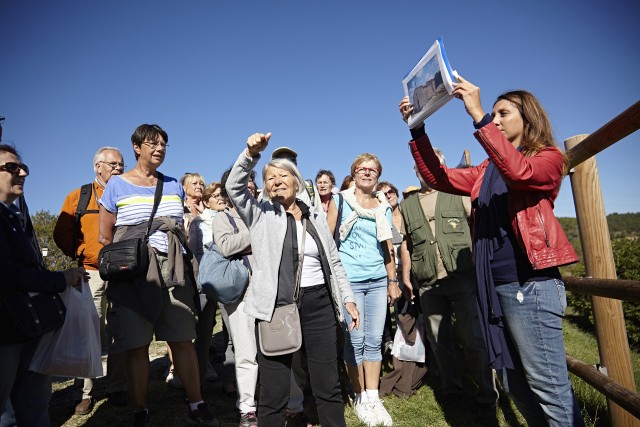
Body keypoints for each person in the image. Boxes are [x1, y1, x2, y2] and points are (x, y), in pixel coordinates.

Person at [399, 77, 584, 426]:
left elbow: (520, 172)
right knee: (514, 384)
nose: (495, 120)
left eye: (503, 114)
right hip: (495, 289)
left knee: (550, 389)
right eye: (493, 115)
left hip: (529, 286)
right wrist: (418, 129)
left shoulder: (547, 158)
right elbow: (440, 178)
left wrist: (478, 113)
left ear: (527, 120)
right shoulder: (486, 171)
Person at [227, 132, 360, 427]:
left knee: (327, 385)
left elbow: (333, 260)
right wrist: (250, 154)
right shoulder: (260, 213)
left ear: (297, 180)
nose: (275, 180)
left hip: (319, 305)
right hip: (277, 308)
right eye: (269, 177)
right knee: (274, 391)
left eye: (282, 174)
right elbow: (233, 187)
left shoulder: (313, 215)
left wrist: (347, 297)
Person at [98, 124, 218, 427]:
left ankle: (196, 402)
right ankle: (140, 409)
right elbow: (105, 236)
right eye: (152, 143)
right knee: (136, 344)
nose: (159, 148)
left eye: (164, 144)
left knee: (182, 339)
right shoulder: (117, 185)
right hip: (134, 273)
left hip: (172, 270)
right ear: (136, 147)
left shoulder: (175, 184)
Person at [398, 155, 498, 421]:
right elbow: (407, 242)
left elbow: (477, 226)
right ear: (415, 170)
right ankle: (452, 389)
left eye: (431, 165)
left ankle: (486, 394)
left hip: (462, 276)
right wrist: (406, 274)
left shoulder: (459, 193)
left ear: (440, 167)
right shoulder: (407, 206)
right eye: (420, 166)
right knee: (438, 339)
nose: (425, 170)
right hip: (428, 281)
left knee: (472, 337)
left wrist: (480, 262)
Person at [0, 144, 89, 426]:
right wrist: (59, 279)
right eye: (12, 168)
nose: (23, 172)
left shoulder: (14, 217)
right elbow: (7, 273)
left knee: (36, 405)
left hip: (27, 326)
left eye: (23, 167)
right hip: (5, 331)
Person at [327, 153, 401, 427]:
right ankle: (358, 395)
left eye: (373, 170)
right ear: (354, 172)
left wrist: (392, 280)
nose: (367, 173)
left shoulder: (383, 206)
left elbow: (387, 246)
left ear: (378, 175)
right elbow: (327, 241)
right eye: (362, 168)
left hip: (378, 280)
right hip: (350, 281)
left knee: (373, 340)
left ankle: (372, 396)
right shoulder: (340, 200)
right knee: (354, 341)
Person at [53, 146, 128, 414]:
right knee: (89, 334)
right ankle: (85, 392)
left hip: (123, 274)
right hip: (91, 274)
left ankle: (117, 386)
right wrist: (80, 253)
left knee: (121, 331)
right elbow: (60, 232)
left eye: (121, 164)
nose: (119, 168)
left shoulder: (128, 192)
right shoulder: (79, 196)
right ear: (98, 167)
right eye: (113, 164)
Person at [212, 168, 258, 427]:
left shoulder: (265, 210)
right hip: (239, 292)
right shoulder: (223, 217)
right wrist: (259, 235)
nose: (248, 185)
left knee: (270, 349)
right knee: (245, 351)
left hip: (269, 289)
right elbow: (226, 246)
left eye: (251, 181)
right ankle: (247, 406)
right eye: (242, 182)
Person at [375, 181, 403, 361]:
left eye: (390, 191)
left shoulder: (407, 212)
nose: (388, 195)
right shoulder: (381, 217)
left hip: (410, 270)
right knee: (388, 313)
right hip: (390, 271)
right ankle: (390, 347)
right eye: (383, 194)